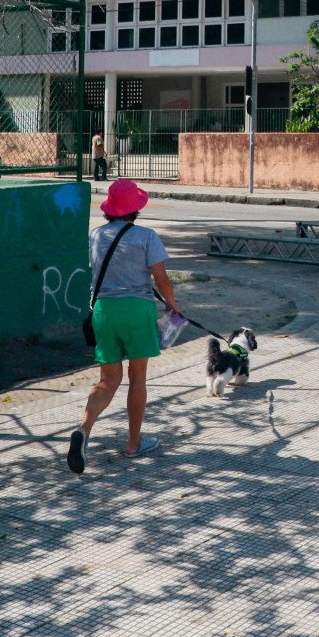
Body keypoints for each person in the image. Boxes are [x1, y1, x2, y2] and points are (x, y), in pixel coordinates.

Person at [70, 179, 179, 472]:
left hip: (103, 311)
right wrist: (173, 305)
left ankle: (84, 429)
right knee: (138, 377)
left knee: (107, 380)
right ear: (135, 209)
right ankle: (133, 444)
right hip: (137, 310)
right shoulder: (146, 236)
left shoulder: (96, 235)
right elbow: (161, 279)